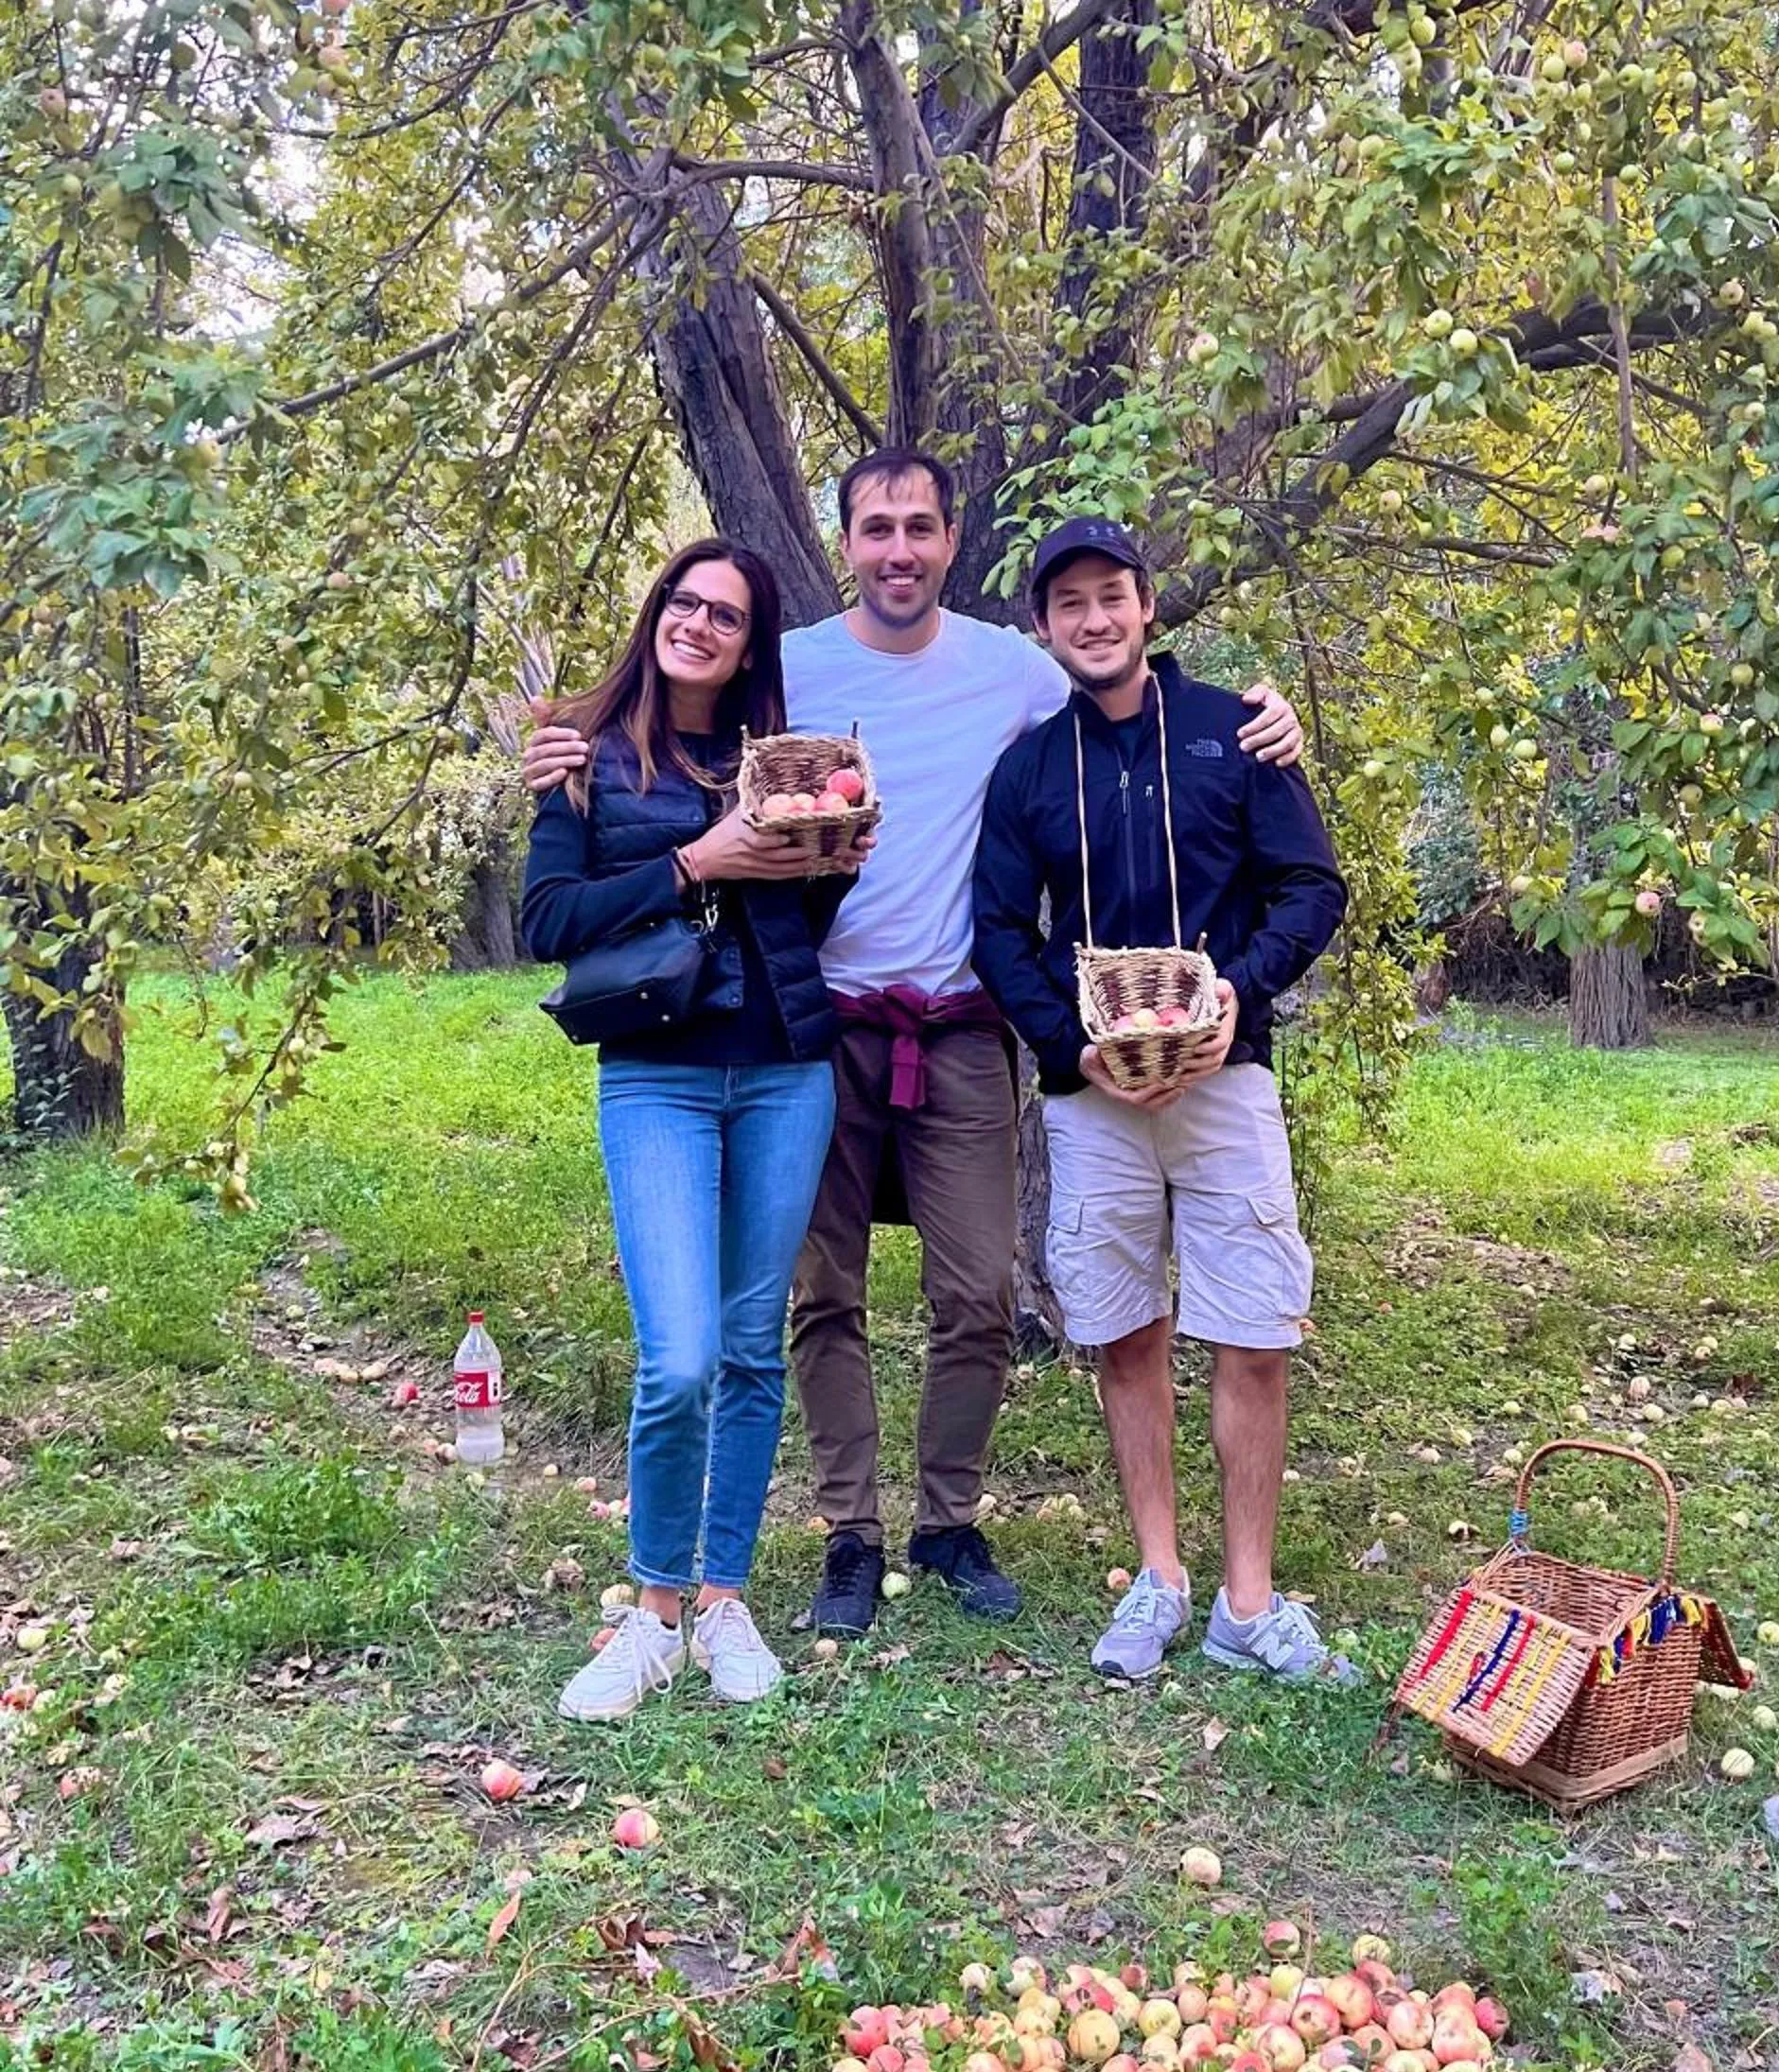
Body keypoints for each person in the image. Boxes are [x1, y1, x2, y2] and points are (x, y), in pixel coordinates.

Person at [522, 452, 1303, 1636]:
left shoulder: (1014, 670)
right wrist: (563, 745)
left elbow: (1123, 702)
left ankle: (946, 1520)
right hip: (815, 1026)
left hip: (960, 1028)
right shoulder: (785, 667)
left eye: (920, 528)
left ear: (949, 542)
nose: (899, 549)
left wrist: (1265, 719)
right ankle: (850, 1532)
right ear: (848, 542)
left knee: (978, 1289)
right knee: (823, 1296)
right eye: (876, 527)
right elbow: (663, 710)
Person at [969, 518, 1351, 1685]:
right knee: (1124, 1328)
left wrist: (1239, 991)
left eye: (1112, 596)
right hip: (1096, 1101)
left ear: (1147, 607)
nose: (1093, 618)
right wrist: (1067, 1046)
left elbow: (1313, 884)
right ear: (1044, 627)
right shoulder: (1033, 769)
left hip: (1227, 1082)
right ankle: (1159, 1579)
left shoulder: (1236, 732)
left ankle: (1247, 1602)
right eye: (1068, 603)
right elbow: (995, 929)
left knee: (1253, 1329)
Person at [520, 538, 864, 1717]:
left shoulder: (780, 759)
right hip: (658, 1078)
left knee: (753, 1345)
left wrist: (838, 847)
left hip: (784, 1071)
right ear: (656, 612)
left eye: (727, 615)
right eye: (685, 601)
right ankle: (653, 1610)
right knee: (677, 1360)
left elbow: (808, 913)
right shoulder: (585, 758)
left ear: (749, 643)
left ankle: (724, 1601)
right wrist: (690, 860)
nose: (701, 624)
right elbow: (548, 921)